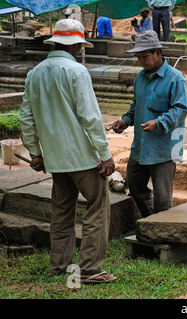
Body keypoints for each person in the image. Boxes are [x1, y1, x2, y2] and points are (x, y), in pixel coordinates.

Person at [19, 19, 116, 284]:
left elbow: (25, 117)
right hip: (83, 157)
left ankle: (59, 266)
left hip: (56, 159)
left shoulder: (35, 73)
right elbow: (91, 118)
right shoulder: (76, 71)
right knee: (97, 207)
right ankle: (88, 269)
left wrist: (35, 153)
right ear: (75, 45)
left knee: (62, 213)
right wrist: (105, 154)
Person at [111, 30, 187, 218]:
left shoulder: (175, 78)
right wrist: (126, 120)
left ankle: (163, 236)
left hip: (163, 148)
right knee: (135, 184)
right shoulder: (140, 77)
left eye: (144, 56)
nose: (141, 60)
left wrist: (159, 122)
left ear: (157, 53)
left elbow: (181, 109)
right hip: (141, 146)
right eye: (138, 57)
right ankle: (152, 222)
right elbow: (136, 105)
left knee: (163, 200)